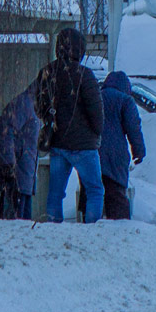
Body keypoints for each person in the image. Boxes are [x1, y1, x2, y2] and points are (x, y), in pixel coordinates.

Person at [36, 28, 105, 223]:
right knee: (95, 189)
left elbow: (39, 105)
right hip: (84, 146)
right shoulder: (85, 75)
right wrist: (96, 132)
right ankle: (92, 228)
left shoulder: (47, 72)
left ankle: (53, 225)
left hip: (58, 143)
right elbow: (96, 111)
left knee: (56, 192)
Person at [0, 86, 40, 220]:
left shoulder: (35, 105)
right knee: (9, 228)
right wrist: (8, 166)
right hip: (14, 181)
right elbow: (5, 131)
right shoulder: (24, 104)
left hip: (24, 178)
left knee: (23, 230)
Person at [97, 71, 146, 220]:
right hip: (116, 154)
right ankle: (120, 226)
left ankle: (90, 224)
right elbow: (133, 127)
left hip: (93, 150)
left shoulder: (96, 97)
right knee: (116, 192)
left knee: (92, 190)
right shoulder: (125, 100)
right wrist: (139, 151)